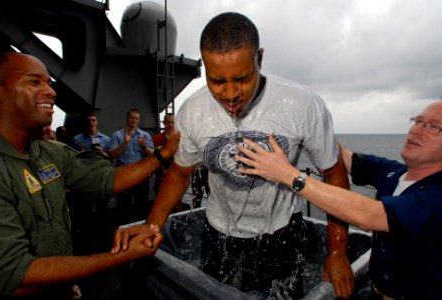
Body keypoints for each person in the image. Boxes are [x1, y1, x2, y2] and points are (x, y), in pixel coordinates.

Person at [145, 12, 354, 298]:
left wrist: (337, 251)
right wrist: (151, 228)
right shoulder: (192, 113)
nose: (230, 94)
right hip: (217, 231)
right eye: (217, 81)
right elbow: (181, 172)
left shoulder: (303, 106)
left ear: (260, 58)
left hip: (282, 233)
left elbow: (334, 173)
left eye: (242, 79)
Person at [0, 51, 180, 298]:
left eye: (49, 84)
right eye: (34, 82)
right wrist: (123, 255)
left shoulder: (48, 153)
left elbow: (106, 178)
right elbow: (14, 277)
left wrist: (163, 154)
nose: (51, 92)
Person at [234, 100, 442, 299]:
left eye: (433, 126)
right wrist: (305, 119)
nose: (416, 129)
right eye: (417, 120)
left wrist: (288, 175)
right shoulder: (395, 173)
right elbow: (340, 156)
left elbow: (369, 215)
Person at [70, 112, 113, 255]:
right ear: (86, 123)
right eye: (89, 121)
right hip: (85, 180)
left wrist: (103, 153)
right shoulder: (77, 139)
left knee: (102, 211)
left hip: (101, 179)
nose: (91, 123)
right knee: (85, 212)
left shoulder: (106, 139)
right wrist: (80, 153)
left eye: (93, 120)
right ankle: (87, 241)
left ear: (97, 122)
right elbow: (72, 160)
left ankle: (103, 240)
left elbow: (110, 159)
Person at [109, 108, 155, 223]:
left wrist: (144, 147)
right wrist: (125, 142)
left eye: (136, 118)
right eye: (132, 117)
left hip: (141, 176)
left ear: (138, 120)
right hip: (123, 176)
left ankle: (140, 236)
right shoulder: (117, 135)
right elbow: (111, 156)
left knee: (142, 209)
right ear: (127, 117)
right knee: (122, 209)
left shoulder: (145, 136)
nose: (133, 120)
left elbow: (153, 156)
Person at [152, 113, 175, 195]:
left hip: (176, 177)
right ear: (164, 123)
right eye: (168, 122)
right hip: (161, 177)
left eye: (172, 122)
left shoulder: (181, 139)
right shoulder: (156, 139)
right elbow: (152, 159)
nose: (170, 125)